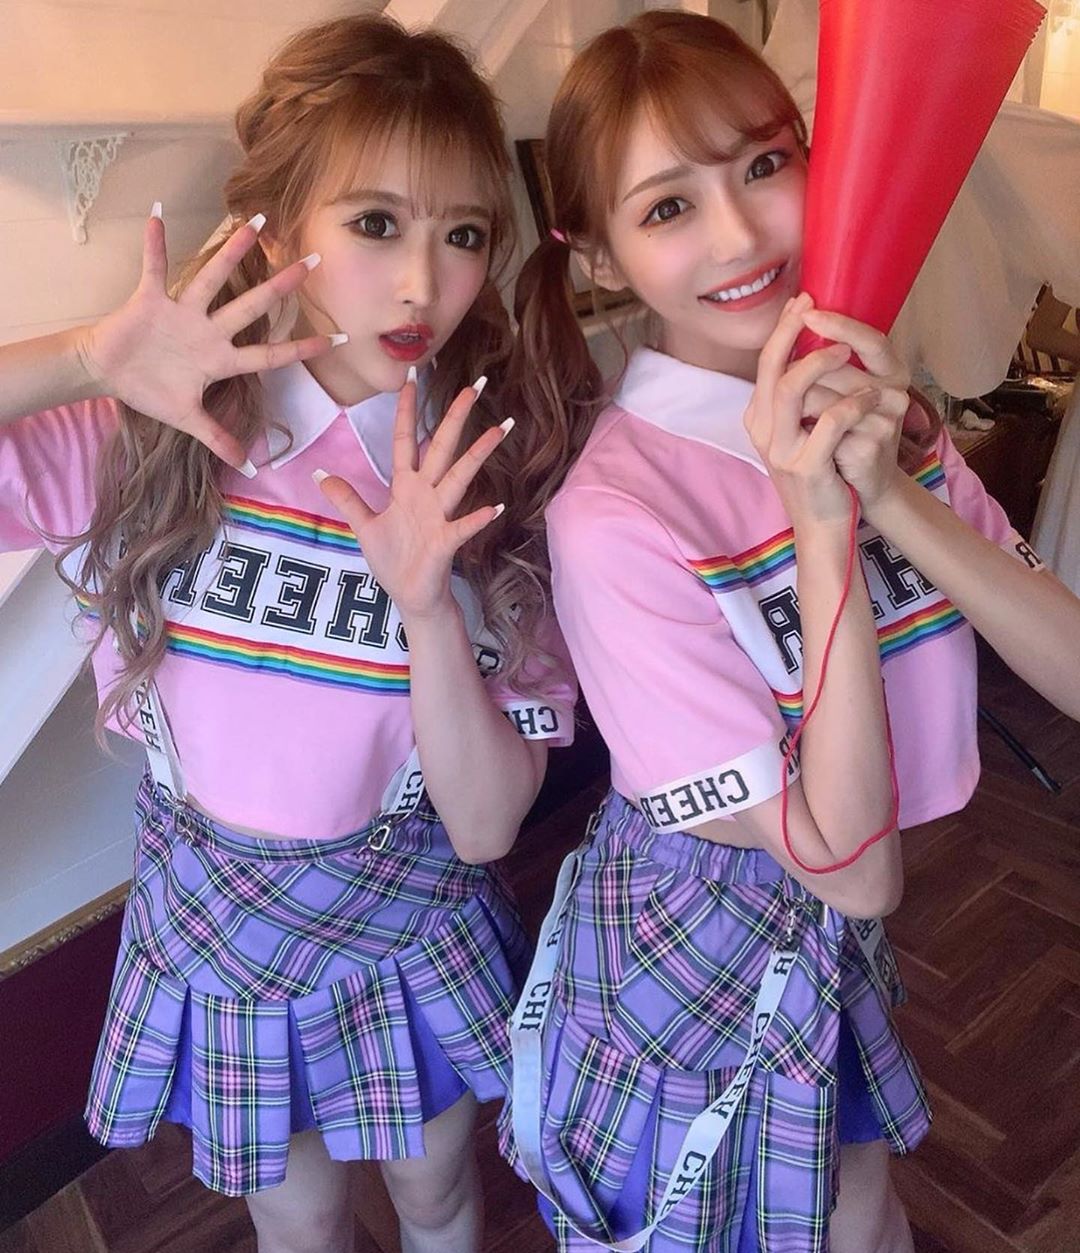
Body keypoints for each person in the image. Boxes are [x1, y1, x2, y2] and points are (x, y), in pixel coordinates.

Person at [497, 11, 1080, 1253]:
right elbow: (852, 864)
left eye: (766, 163)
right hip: (693, 937)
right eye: (668, 206)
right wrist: (820, 523)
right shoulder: (616, 512)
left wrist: (893, 492)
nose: (742, 233)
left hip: (823, 937)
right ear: (596, 253)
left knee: (860, 1209)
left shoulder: (873, 409)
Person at [0, 16, 575, 1253]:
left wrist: (429, 606)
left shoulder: (492, 472)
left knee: (436, 1192)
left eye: (463, 233)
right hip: (220, 929)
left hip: (409, 920)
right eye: (375, 223)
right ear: (274, 229)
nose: (423, 283)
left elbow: (486, 828)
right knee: (298, 1218)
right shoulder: (149, 436)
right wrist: (88, 356)